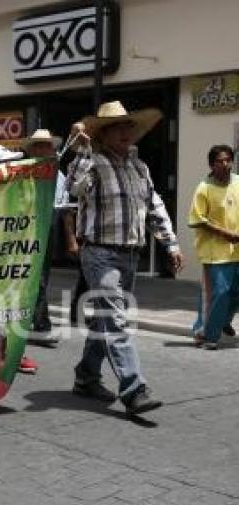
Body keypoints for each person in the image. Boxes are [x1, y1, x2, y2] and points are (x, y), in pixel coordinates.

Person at [67, 101, 184, 415]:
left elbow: (154, 206)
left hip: (130, 254)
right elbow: (74, 188)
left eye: (128, 126)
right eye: (118, 127)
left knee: (107, 319)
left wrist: (170, 245)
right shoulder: (93, 161)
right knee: (117, 320)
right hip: (99, 253)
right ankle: (134, 388)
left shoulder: (139, 167)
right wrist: (82, 153)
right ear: (104, 134)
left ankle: (86, 376)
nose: (125, 132)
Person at [0, 144, 40, 375]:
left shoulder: (17, 192)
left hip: (11, 263)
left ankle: (13, 353)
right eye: (7, 164)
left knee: (10, 307)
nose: (13, 168)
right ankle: (0, 353)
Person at [189, 145, 239, 350]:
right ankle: (209, 335)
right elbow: (198, 220)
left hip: (237, 250)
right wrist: (225, 234)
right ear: (211, 164)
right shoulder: (204, 188)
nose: (225, 164)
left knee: (235, 292)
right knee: (220, 292)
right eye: (220, 161)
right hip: (215, 252)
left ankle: (222, 320)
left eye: (228, 160)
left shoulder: (238, 182)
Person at [23, 128, 68, 348]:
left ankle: (31, 320)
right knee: (37, 280)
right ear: (31, 150)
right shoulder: (23, 173)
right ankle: (43, 326)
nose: (42, 149)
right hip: (27, 231)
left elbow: (65, 208)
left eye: (46, 145)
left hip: (48, 231)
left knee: (42, 279)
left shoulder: (59, 176)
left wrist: (71, 239)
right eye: (38, 145)